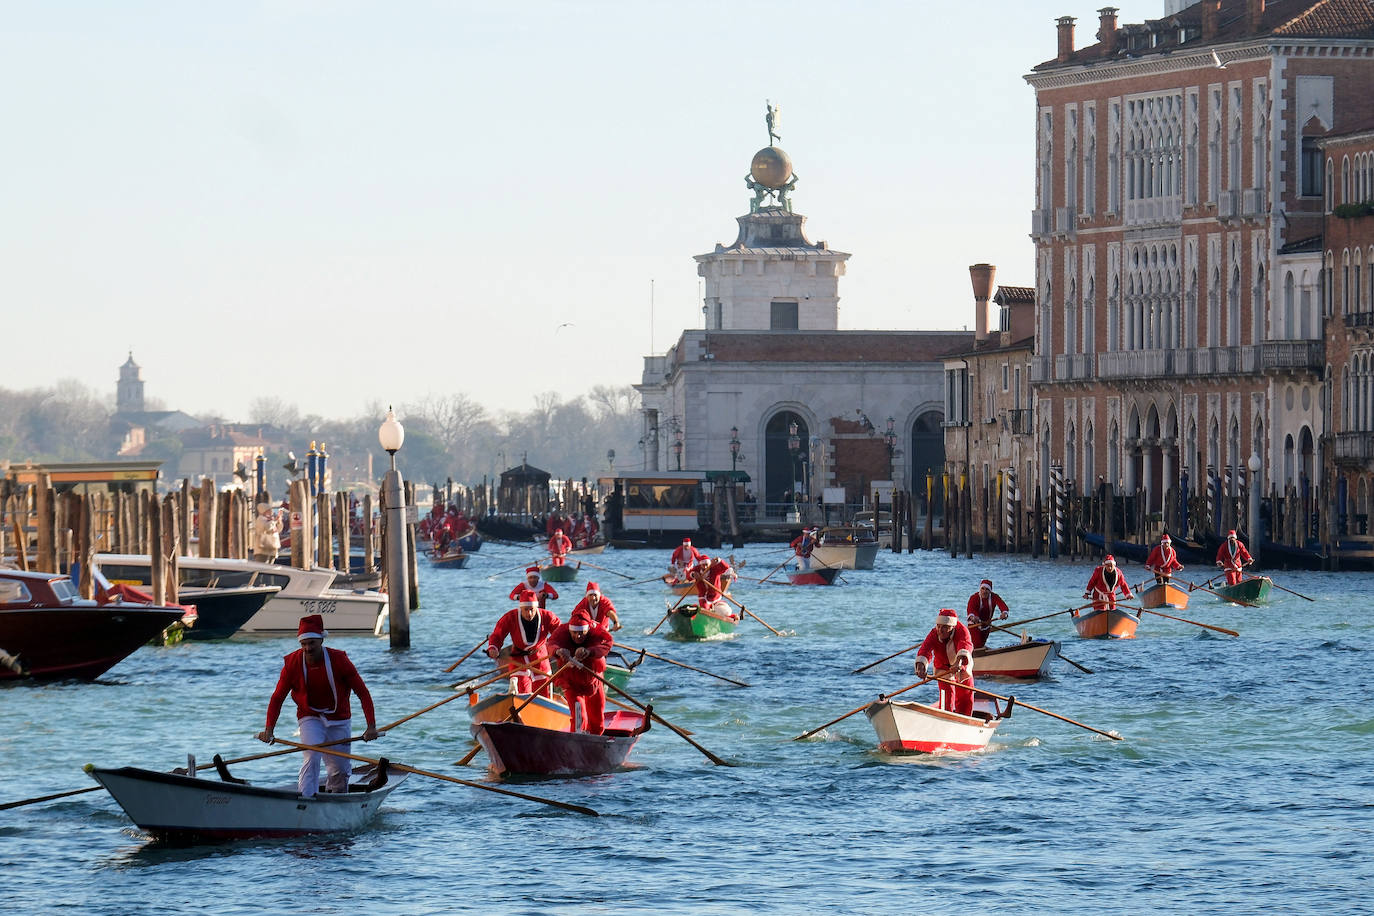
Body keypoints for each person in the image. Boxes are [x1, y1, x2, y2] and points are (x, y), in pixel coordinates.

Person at [256, 614, 379, 797]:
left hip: (339, 718)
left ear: (321, 640)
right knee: (312, 756)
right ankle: (306, 800)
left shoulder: (340, 660)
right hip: (309, 717)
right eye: (303, 644)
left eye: (312, 643)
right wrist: (269, 729)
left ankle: (337, 797)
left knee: (340, 770)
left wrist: (371, 727)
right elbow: (277, 698)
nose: (308, 648)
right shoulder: (292, 664)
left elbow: (363, 693)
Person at [547, 608, 614, 734]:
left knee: (598, 720)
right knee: (580, 718)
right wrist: (558, 651)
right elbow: (551, 644)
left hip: (594, 680)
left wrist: (589, 651)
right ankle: (575, 743)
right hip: (571, 682)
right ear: (569, 630)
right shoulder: (562, 631)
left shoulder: (597, 630)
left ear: (588, 630)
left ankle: (595, 743)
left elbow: (607, 643)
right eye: (574, 633)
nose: (578, 636)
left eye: (582, 633)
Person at [486, 588, 562, 694]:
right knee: (523, 693)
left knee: (543, 693)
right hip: (518, 660)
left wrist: (562, 648)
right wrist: (493, 648)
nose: (529, 613)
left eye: (532, 609)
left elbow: (561, 633)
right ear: (520, 608)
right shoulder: (510, 617)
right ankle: (515, 692)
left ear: (537, 607)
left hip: (540, 657)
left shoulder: (548, 616)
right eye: (525, 609)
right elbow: (498, 635)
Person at [912, 608, 975, 717]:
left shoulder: (962, 631)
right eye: (938, 626)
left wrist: (958, 662)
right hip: (942, 668)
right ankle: (946, 718)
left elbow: (965, 645)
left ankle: (965, 720)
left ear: (952, 627)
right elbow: (925, 649)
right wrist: (920, 666)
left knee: (965, 696)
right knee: (946, 699)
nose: (940, 630)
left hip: (961, 666)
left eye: (945, 627)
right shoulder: (934, 633)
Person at [964, 578, 1010, 650]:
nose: (984, 591)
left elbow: (1002, 605)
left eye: (987, 589)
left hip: (987, 625)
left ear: (990, 591)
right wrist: (973, 617)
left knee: (981, 645)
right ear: (980, 589)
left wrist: (1004, 613)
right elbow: (970, 609)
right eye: (982, 589)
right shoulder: (974, 597)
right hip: (974, 624)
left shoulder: (994, 597)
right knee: (977, 645)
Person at [252, 500, 282, 564]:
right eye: (269, 510)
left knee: (270, 567)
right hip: (263, 550)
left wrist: (279, 522)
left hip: (272, 548)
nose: (271, 511)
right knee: (261, 567)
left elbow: (278, 530)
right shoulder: (260, 519)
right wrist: (274, 521)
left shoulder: (271, 519)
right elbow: (267, 527)